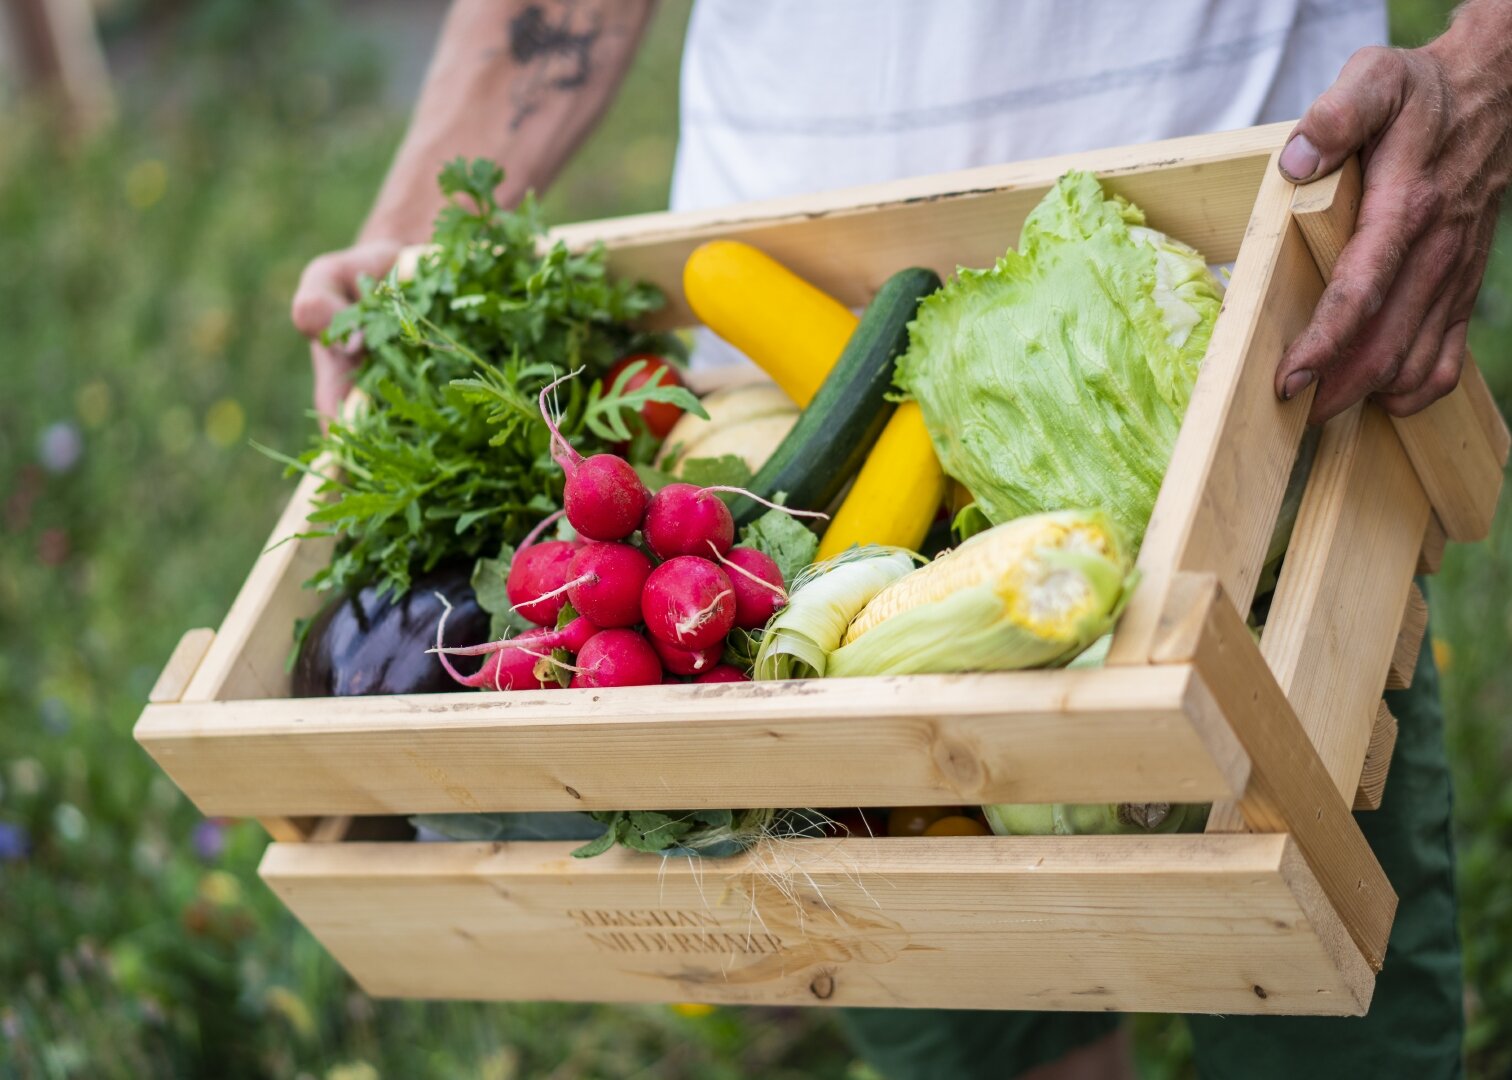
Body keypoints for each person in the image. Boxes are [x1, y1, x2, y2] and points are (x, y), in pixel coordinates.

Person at [291, 3, 1510, 1076]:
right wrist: (407, 247)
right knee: (977, 1039)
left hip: (1245, 351)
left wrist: (1486, 74)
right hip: (758, 323)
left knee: (1328, 1022)